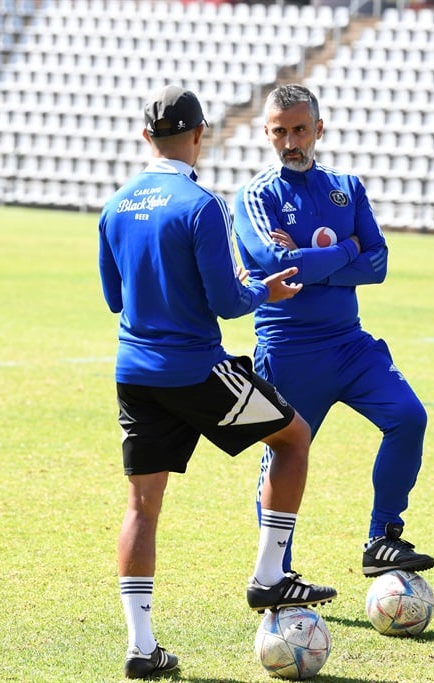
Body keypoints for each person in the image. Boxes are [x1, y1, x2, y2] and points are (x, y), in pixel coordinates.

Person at [98, 84, 337, 680]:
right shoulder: (202, 205)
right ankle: (269, 573)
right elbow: (230, 302)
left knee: (142, 506)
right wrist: (268, 290)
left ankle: (141, 644)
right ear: (201, 135)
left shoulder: (115, 206)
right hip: (195, 370)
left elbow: (113, 299)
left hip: (134, 373)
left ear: (145, 136)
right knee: (292, 437)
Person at [232, 84, 434, 579]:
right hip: (288, 350)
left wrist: (309, 258)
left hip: (349, 343)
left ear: (318, 129)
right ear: (266, 134)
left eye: (299, 129)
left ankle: (382, 538)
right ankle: (274, 570)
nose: (290, 142)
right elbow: (277, 264)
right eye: (279, 132)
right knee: (283, 455)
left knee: (409, 417)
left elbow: (380, 262)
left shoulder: (347, 186)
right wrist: (347, 250)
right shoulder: (256, 195)